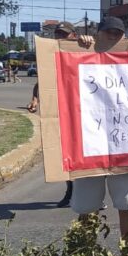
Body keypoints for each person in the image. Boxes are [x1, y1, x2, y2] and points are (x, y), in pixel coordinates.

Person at [72, 16, 128, 235]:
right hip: (89, 144)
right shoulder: (84, 51)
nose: (113, 35)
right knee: (86, 208)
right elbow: (64, 69)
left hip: (123, 145)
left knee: (127, 206)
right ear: (98, 32)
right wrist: (81, 46)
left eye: (118, 32)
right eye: (109, 31)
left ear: (124, 36)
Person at [28, 21, 79, 208]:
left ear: (73, 35)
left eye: (64, 34)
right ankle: (70, 191)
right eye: (58, 34)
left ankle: (93, 195)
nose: (60, 38)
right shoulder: (51, 56)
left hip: (83, 113)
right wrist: (35, 100)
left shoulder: (83, 50)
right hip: (61, 113)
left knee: (85, 156)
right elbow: (41, 81)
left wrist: (86, 41)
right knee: (64, 155)